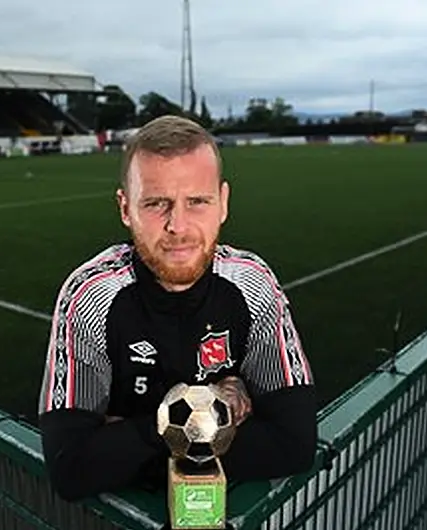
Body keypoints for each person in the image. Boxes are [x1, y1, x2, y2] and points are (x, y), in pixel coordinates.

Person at [38, 115, 317, 502]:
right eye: (156, 203)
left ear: (223, 203)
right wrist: (217, 411)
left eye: (198, 202)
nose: (178, 226)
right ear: (125, 208)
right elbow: (72, 469)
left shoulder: (253, 283)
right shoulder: (89, 295)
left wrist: (122, 435)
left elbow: (294, 445)